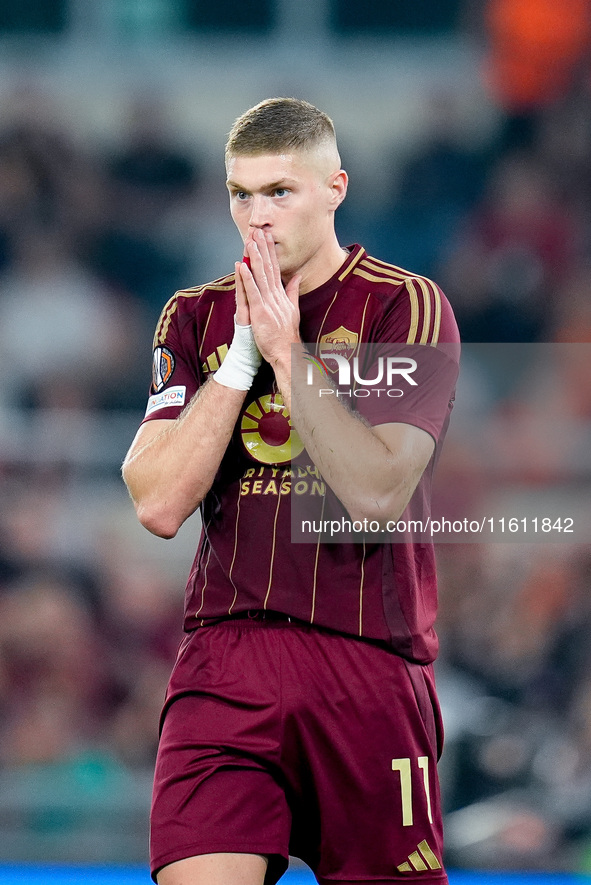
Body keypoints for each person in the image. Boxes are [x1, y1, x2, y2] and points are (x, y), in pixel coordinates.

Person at [122, 97, 460, 885]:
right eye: (240, 193)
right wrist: (239, 359)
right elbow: (158, 503)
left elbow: (377, 491)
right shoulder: (196, 317)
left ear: (334, 187)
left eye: (280, 191)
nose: (256, 216)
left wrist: (286, 351)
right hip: (226, 659)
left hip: (366, 662)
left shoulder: (404, 306)